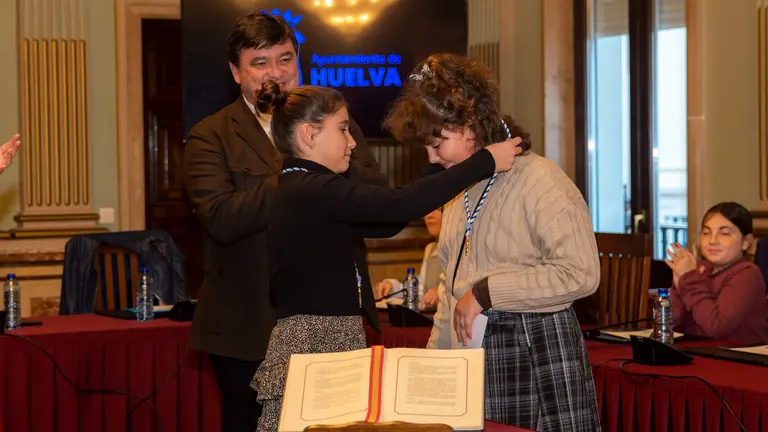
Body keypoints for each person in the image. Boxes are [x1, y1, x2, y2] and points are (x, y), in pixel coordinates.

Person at [250, 81, 523, 431]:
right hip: (315, 343)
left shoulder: (303, 187)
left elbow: (389, 220)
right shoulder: (310, 189)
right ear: (308, 134)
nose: (351, 142)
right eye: (343, 129)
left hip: (326, 339)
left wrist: (444, 161)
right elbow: (400, 205)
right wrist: (483, 161)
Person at [182, 11, 387, 432]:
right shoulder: (210, 135)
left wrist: (333, 146)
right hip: (250, 331)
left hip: (335, 326)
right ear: (236, 72)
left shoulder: (334, 122)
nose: (276, 73)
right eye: (259, 63)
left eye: (285, 59)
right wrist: (299, 169)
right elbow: (222, 219)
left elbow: (378, 211)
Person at [384, 54, 602, 431]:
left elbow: (581, 273)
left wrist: (487, 292)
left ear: (470, 124)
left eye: (438, 142)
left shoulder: (540, 179)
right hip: (475, 358)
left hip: (537, 351)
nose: (431, 157)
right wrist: (437, 366)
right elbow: (449, 291)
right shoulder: (459, 190)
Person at [666, 202, 768, 344]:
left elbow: (715, 328)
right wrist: (678, 286)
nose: (712, 241)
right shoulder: (697, 270)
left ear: (746, 242)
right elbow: (671, 325)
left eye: (724, 233)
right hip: (698, 353)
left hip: (738, 359)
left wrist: (689, 280)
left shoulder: (747, 274)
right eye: (707, 233)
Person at [375, 207, 443, 309]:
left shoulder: (463, 249)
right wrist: (392, 287)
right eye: (428, 210)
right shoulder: (430, 249)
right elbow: (420, 291)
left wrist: (442, 294)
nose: (429, 216)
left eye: (437, 209)